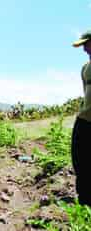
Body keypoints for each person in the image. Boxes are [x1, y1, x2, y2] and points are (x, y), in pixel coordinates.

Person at [72, 31, 91, 206]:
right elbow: (86, 93)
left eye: (87, 44)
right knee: (80, 159)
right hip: (85, 120)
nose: (84, 49)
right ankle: (85, 203)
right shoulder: (85, 68)